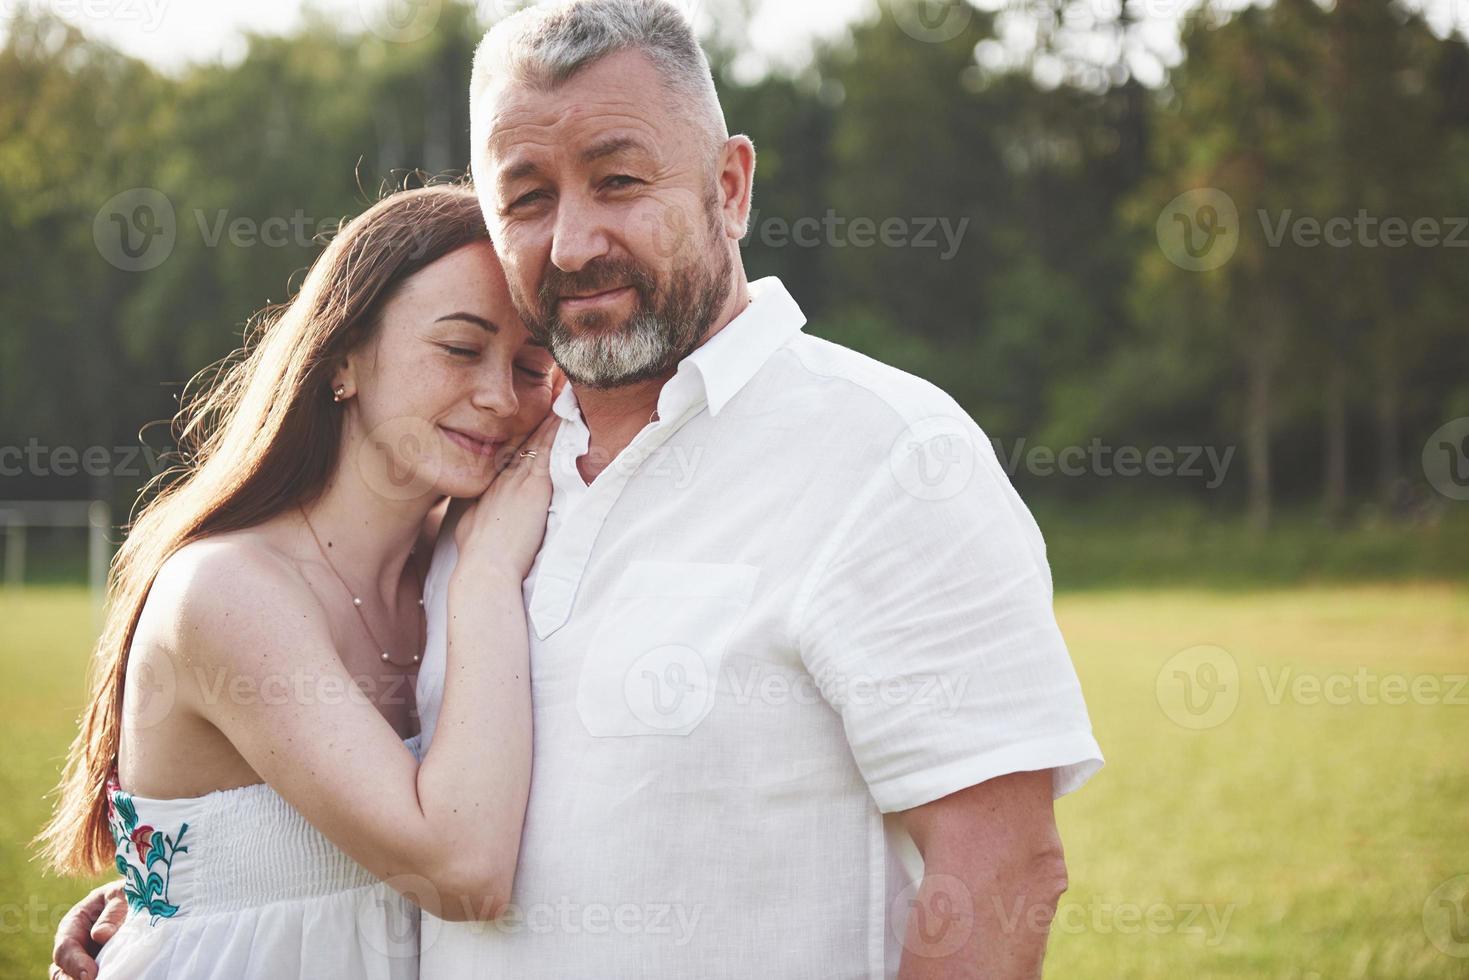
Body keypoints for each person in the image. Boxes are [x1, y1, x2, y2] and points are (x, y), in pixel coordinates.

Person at [58, 1, 1106, 976]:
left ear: (730, 186)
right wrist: (179, 889)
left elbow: (1003, 868)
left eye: (618, 180)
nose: (572, 242)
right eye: (526, 196)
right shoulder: (484, 484)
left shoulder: (888, 453)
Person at [39, 183, 561, 979]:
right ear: (344, 356)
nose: (500, 397)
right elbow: (463, 872)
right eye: (460, 348)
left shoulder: (458, 550)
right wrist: (488, 577)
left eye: (530, 366)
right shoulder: (224, 590)